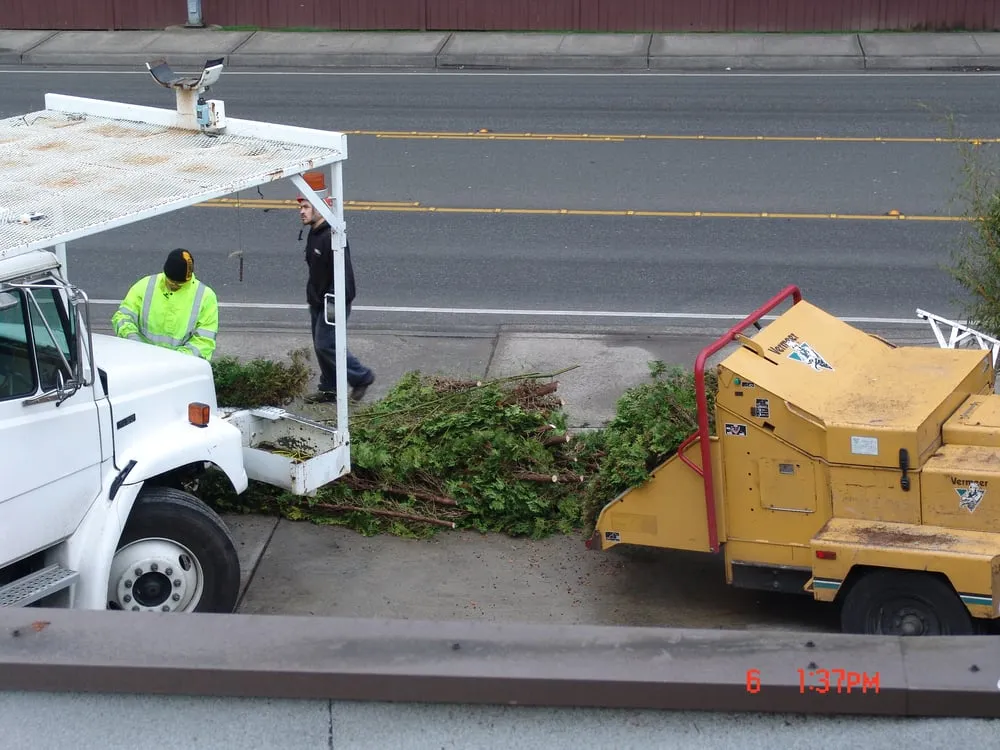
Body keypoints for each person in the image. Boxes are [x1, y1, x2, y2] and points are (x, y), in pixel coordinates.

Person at [298, 181, 374, 403]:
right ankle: (330, 387)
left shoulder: (331, 237)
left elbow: (344, 274)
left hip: (333, 300)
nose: (301, 212)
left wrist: (334, 301)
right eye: (300, 208)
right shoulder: (314, 232)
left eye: (306, 207)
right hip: (317, 300)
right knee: (320, 347)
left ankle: (361, 377)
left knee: (326, 344)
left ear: (319, 208)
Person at [111, 248, 219, 361]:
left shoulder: (206, 297)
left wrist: (177, 359)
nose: (175, 285)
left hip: (179, 367)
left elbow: (204, 341)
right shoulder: (146, 285)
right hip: (141, 360)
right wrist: (134, 340)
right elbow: (122, 317)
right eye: (171, 281)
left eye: (180, 284)